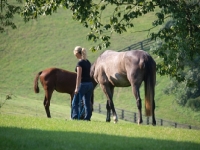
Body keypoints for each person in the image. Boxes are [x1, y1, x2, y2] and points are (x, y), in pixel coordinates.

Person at [71, 46, 93, 121]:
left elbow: (79, 76)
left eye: (75, 53)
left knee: (75, 102)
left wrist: (77, 88)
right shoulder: (88, 62)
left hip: (83, 85)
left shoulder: (80, 63)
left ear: (77, 53)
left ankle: (75, 117)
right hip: (90, 85)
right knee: (87, 103)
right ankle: (87, 118)